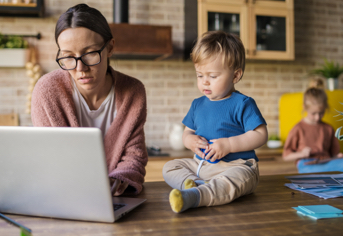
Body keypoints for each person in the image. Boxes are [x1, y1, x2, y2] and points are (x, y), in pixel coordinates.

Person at [31, 4, 148, 196]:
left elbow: (135, 155)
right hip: (63, 195)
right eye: (68, 57)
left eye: (90, 53)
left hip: (115, 199)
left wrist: (118, 180)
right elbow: (50, 159)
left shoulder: (133, 92)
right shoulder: (47, 92)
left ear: (110, 47)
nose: (80, 69)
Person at [162, 31, 268, 213]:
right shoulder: (197, 104)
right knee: (170, 167)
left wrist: (228, 144)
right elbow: (187, 132)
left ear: (235, 76)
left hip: (236, 167)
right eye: (200, 75)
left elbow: (261, 134)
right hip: (202, 166)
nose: (205, 82)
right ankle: (195, 185)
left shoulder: (242, 103)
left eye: (212, 76)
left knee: (236, 179)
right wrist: (190, 141)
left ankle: (195, 196)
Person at [282, 78, 343, 173]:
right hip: (306, 163)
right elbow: (286, 156)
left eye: (321, 113)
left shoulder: (328, 128)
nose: (318, 117)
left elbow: (334, 155)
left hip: (326, 162)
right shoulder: (298, 128)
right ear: (304, 107)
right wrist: (301, 154)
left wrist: (338, 157)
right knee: (313, 172)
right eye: (313, 113)